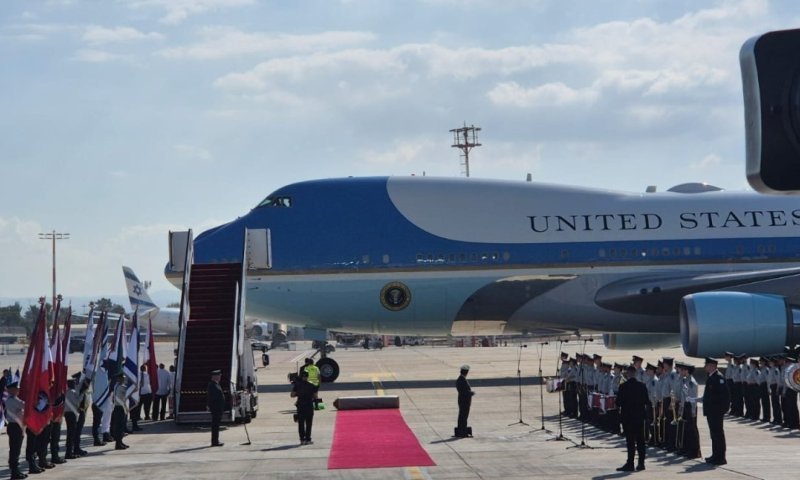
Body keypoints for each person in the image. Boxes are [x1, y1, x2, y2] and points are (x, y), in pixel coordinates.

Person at [616, 364, 649, 472]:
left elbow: (618, 402)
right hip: (639, 417)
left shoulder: (623, 386)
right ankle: (641, 463)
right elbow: (646, 401)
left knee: (630, 441)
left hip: (628, 418)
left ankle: (630, 463)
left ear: (628, 374)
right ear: (635, 373)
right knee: (640, 441)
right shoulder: (642, 386)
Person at [702, 356, 730, 466]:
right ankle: (715, 455)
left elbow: (725, 396)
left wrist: (723, 410)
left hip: (716, 411)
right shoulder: (711, 377)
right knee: (713, 434)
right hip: (711, 411)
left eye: (707, 365)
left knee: (718, 434)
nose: (705, 367)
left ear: (712, 366)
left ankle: (720, 457)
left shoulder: (719, 378)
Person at [4, 381, 28, 479]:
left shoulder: (13, 399)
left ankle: (16, 470)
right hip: (15, 427)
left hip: (15, 426)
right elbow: (25, 406)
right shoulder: (12, 400)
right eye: (16, 389)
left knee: (15, 450)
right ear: (11, 390)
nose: (18, 390)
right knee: (15, 450)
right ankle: (14, 472)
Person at [290, 369, 316, 445]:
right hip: (309, 405)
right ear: (308, 377)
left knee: (301, 423)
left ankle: (302, 439)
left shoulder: (297, 385)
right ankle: (308, 439)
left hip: (301, 405)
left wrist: (298, 394)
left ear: (301, 377)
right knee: (309, 423)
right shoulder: (312, 385)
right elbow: (315, 396)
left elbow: (292, 395)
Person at [110, 373, 130, 450]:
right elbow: (128, 391)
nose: (124, 379)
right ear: (119, 379)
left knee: (120, 427)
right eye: (122, 378)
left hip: (118, 408)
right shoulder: (121, 387)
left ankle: (120, 442)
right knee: (119, 427)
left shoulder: (116, 385)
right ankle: (118, 444)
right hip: (120, 409)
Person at [207, 369, 225, 447]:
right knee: (215, 426)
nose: (220, 377)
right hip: (216, 409)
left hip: (218, 409)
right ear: (214, 377)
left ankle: (215, 440)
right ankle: (215, 442)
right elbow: (212, 398)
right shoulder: (212, 385)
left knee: (216, 426)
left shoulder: (216, 384)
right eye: (218, 376)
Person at [455, 365, 474, 437]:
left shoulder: (461, 379)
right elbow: (464, 392)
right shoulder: (461, 380)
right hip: (464, 401)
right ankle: (463, 432)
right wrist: (471, 393)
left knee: (462, 416)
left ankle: (461, 431)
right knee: (463, 417)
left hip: (463, 401)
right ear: (466, 372)